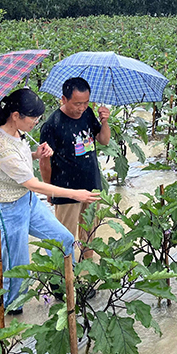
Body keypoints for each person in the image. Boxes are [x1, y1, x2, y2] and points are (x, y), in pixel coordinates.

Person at [0, 88, 99, 314]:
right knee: (17, 267)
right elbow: (32, 183)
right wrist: (75, 193)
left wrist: (36, 154)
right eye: (33, 118)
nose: (36, 122)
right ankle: (12, 311)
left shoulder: (16, 132)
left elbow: (21, 165)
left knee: (62, 239)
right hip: (5, 209)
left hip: (26, 201)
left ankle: (61, 286)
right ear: (16, 115)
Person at [39, 78, 110, 255]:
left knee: (89, 238)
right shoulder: (52, 125)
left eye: (86, 102)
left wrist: (105, 122)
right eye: (77, 103)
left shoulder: (87, 114)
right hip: (66, 191)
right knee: (65, 239)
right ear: (63, 99)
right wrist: (49, 190)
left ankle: (86, 277)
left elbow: (103, 140)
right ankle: (67, 279)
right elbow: (44, 162)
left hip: (91, 185)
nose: (82, 108)